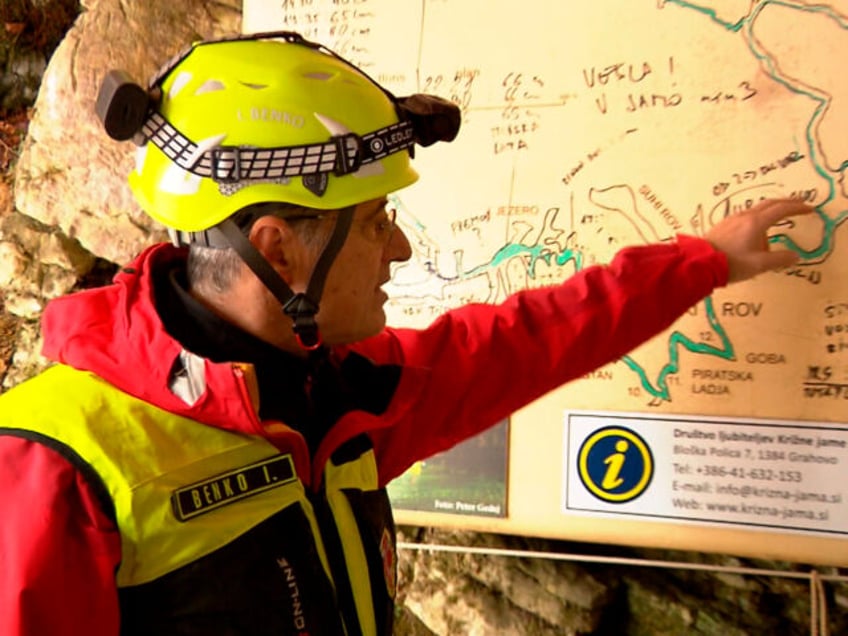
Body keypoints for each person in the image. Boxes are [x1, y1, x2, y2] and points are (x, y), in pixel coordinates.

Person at [0, 31, 813, 636]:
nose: (400, 248)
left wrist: (702, 262)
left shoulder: (339, 392)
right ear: (280, 246)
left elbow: (534, 337)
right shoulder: (55, 468)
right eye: (378, 221)